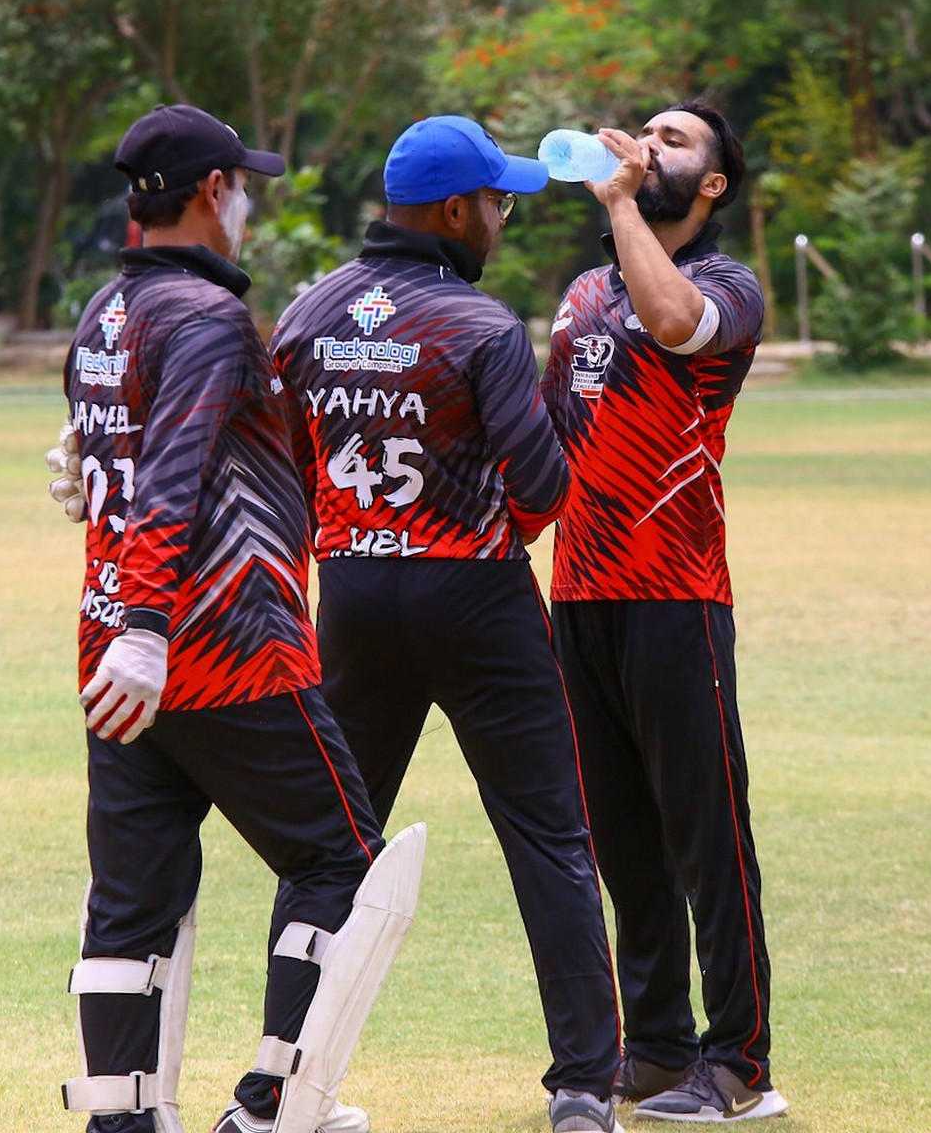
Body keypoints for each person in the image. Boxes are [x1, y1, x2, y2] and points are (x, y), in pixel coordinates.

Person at [51, 103, 425, 1133]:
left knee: (132, 898)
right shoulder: (209, 317)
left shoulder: (103, 311)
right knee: (340, 862)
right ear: (213, 192)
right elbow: (173, 477)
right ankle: (275, 1104)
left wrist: (126, 618)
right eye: (244, 187)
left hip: (114, 654)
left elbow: (112, 456)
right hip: (223, 645)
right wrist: (150, 627)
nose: (247, 205)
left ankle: (121, 1118)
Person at [270, 115, 623, 1133]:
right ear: (457, 211)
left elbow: (284, 472)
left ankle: (280, 1080)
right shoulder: (479, 324)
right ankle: (581, 1088)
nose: (502, 220)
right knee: (549, 837)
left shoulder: (305, 313)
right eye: (498, 203)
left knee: (330, 848)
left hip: (352, 598)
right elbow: (542, 489)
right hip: (475, 597)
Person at [541, 100, 788, 1123]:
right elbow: (545, 435)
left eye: (673, 140)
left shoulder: (727, 286)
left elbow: (677, 324)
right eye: (643, 131)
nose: (647, 146)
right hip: (578, 595)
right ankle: (651, 1048)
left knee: (706, 837)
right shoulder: (582, 292)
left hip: (675, 593)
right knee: (621, 841)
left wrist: (618, 204)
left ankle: (737, 1064)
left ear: (712, 183)